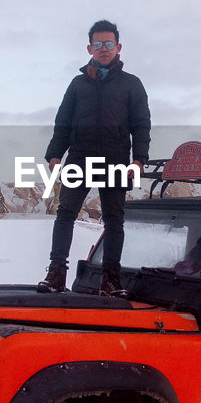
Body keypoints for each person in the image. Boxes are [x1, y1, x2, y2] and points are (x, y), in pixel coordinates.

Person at [38, 19, 151, 295]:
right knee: (65, 214)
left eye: (109, 44)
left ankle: (110, 281)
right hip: (79, 157)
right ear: (89, 47)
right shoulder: (77, 84)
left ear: (118, 47)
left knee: (114, 220)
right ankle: (56, 275)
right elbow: (63, 122)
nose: (103, 48)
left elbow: (141, 124)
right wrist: (55, 154)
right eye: (98, 44)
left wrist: (139, 159)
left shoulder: (131, 84)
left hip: (115, 159)